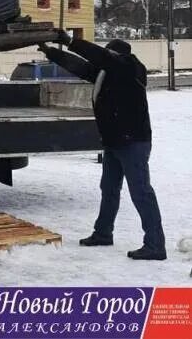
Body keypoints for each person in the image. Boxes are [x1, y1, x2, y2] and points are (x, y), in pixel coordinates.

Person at [39, 33, 166, 260]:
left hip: (133, 142)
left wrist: (70, 41)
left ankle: (155, 245)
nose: (105, 58)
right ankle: (103, 233)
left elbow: (100, 56)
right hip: (114, 141)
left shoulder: (129, 68)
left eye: (110, 54)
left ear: (119, 55)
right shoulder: (107, 73)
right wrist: (52, 52)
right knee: (108, 189)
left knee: (141, 192)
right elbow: (81, 66)